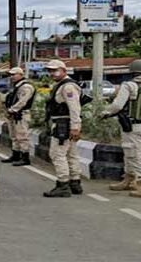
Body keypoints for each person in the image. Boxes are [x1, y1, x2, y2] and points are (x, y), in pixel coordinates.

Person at [100, 59, 141, 197]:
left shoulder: (129, 85)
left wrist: (105, 113)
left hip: (133, 126)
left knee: (135, 155)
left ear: (133, 71)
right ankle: (129, 179)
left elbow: (117, 106)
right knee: (133, 153)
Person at [43, 60, 84, 198]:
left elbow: (74, 108)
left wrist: (75, 127)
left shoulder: (67, 87)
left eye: (55, 70)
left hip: (63, 124)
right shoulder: (62, 85)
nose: (52, 73)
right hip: (65, 123)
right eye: (50, 71)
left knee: (57, 154)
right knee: (71, 154)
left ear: (64, 70)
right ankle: (75, 182)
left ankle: (63, 184)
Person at [1, 67, 36, 166]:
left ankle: (25, 157)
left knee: (22, 136)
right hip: (14, 114)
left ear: (21, 75)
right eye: (10, 75)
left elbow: (22, 101)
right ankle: (15, 155)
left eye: (14, 74)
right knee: (14, 136)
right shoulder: (16, 86)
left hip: (21, 114)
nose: (11, 77)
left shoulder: (26, 87)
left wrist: (12, 110)